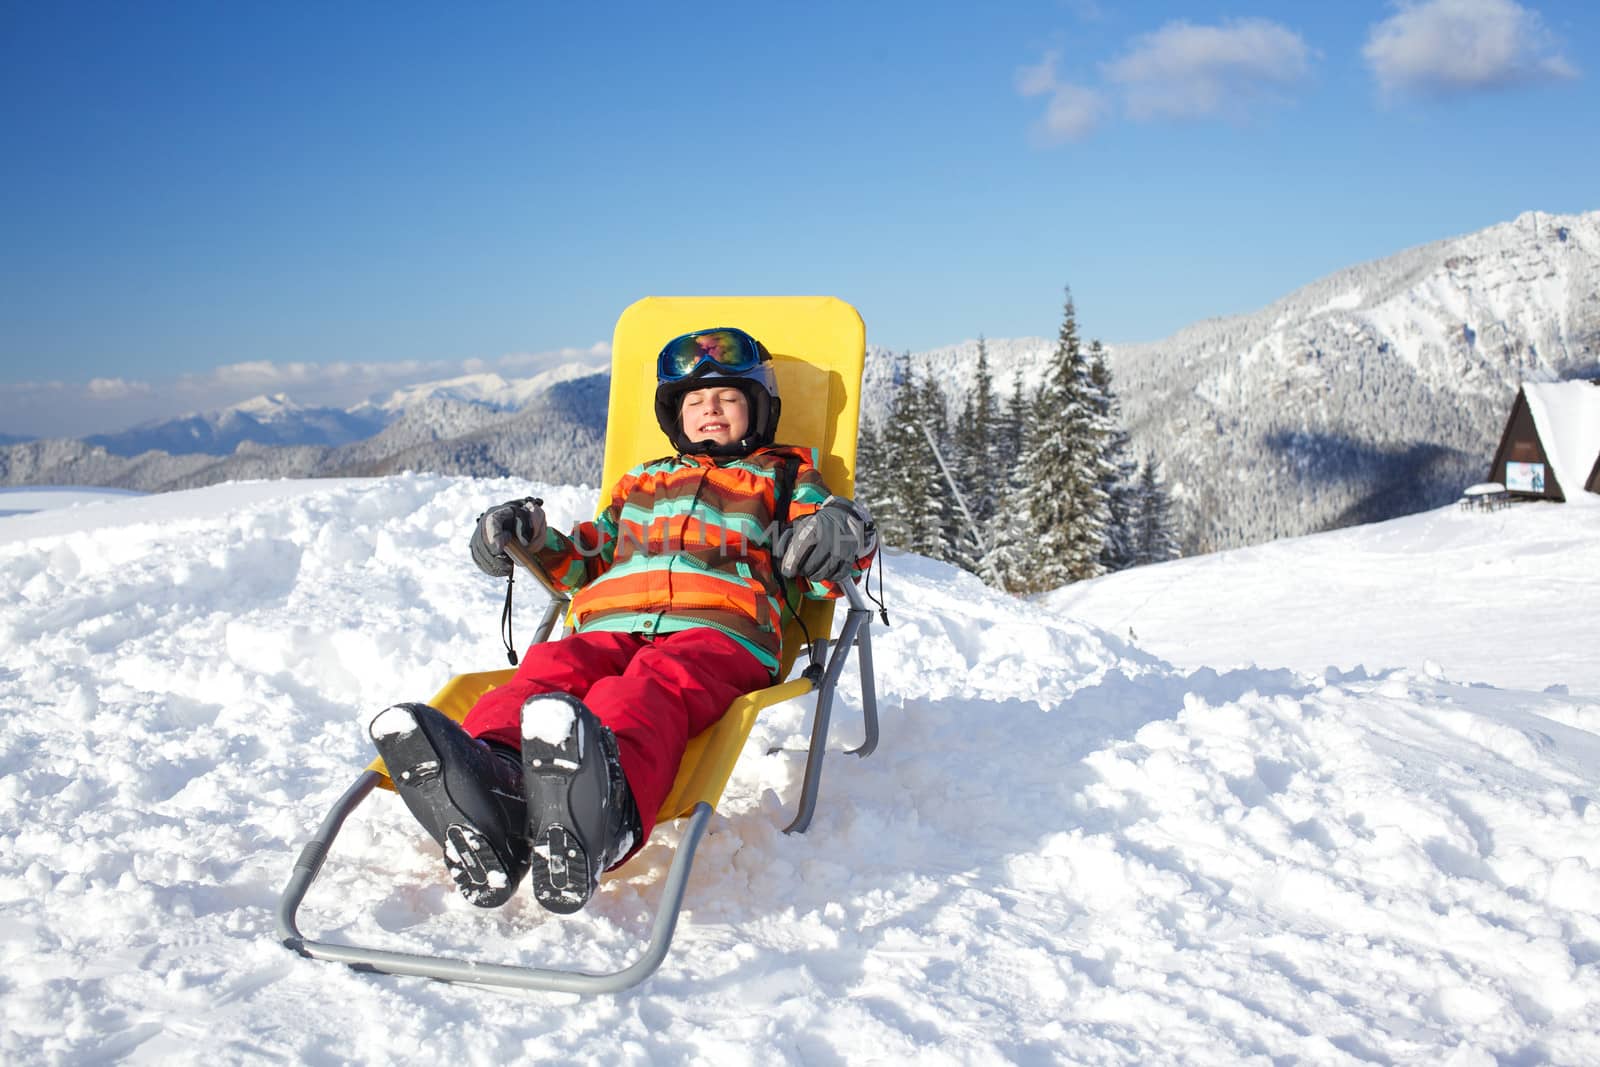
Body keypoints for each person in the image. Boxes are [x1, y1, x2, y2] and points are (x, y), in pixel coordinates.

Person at [368, 326, 876, 915]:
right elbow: (582, 561)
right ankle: (491, 785)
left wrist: (838, 531)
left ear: (761, 408)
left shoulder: (785, 477)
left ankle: (605, 813)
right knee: (549, 673)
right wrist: (528, 538)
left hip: (718, 630)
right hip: (610, 621)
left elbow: (826, 558)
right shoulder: (642, 482)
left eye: (729, 397)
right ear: (673, 416)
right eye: (694, 400)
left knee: (646, 690)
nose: (710, 408)